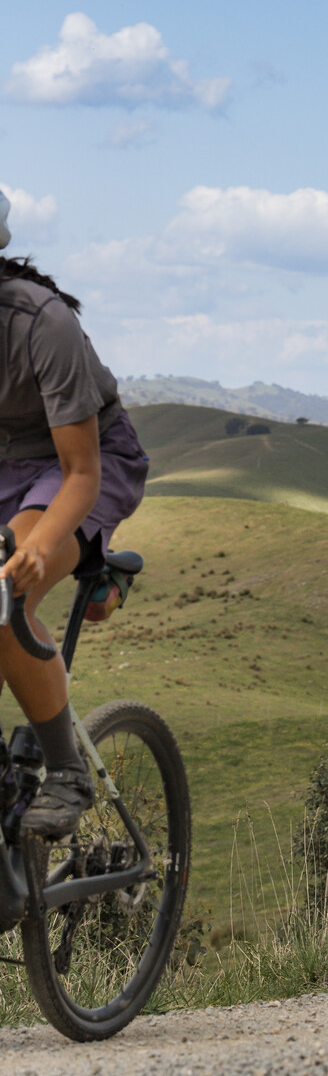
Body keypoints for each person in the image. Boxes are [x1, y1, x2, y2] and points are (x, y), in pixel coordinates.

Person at [0, 189, 150, 838]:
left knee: (5, 594)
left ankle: (67, 771)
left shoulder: (42, 323)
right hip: (6, 463)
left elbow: (81, 471)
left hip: (82, 461)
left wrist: (41, 545)